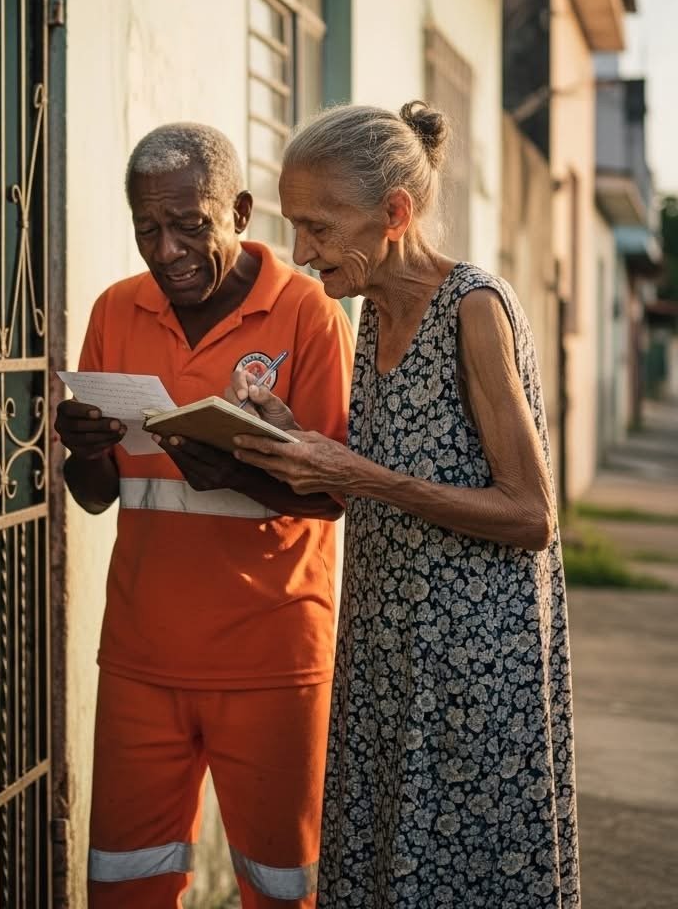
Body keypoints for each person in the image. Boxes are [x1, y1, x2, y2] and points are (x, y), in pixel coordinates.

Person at [230, 102, 580, 909]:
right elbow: (383, 474)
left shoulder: (474, 309)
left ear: (395, 213)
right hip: (386, 653)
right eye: (294, 225)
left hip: (471, 666)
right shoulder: (369, 313)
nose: (299, 251)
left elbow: (532, 515)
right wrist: (292, 440)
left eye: (317, 227)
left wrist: (357, 472)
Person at [54, 122, 354, 908]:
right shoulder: (116, 310)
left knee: (284, 886)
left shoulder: (309, 313)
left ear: (242, 212)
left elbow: (335, 495)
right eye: (147, 229)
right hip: (139, 660)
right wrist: (82, 448)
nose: (169, 249)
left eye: (191, 225)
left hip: (274, 661)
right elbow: (97, 494)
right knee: (126, 881)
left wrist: (239, 473)